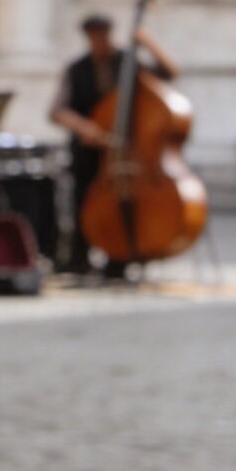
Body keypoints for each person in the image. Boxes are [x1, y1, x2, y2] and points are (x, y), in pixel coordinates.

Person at [49, 14, 180, 275]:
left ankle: (120, 256)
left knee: (127, 195)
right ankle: (80, 257)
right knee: (84, 201)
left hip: (131, 150)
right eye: (95, 37)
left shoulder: (129, 64)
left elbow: (169, 73)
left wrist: (147, 43)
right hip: (90, 150)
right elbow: (57, 110)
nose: (101, 41)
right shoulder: (77, 69)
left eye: (104, 35)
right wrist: (83, 127)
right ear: (88, 38)